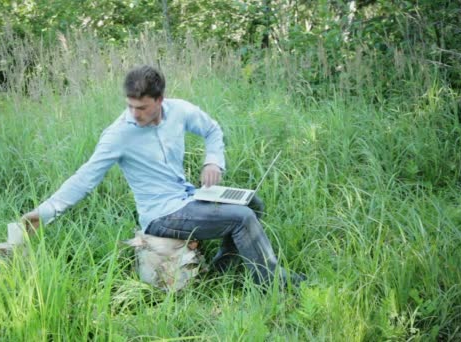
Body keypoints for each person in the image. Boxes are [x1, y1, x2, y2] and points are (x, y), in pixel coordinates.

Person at [21, 65, 305, 287]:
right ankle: (273, 284)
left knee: (252, 204)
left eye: (141, 107)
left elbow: (212, 130)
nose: (134, 113)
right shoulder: (118, 134)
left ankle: (221, 272)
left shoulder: (179, 110)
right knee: (241, 218)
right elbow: (84, 178)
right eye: (129, 105)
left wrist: (213, 161)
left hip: (189, 198)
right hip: (161, 215)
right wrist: (45, 212)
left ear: (160, 99)